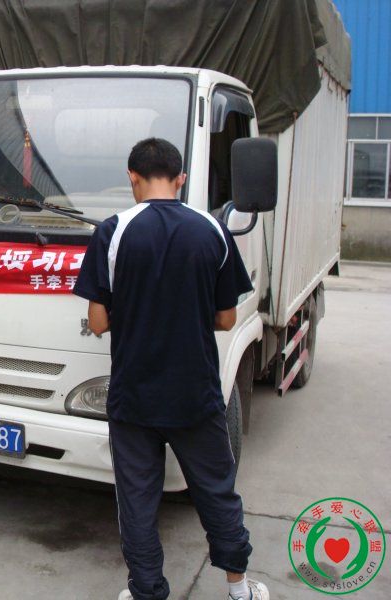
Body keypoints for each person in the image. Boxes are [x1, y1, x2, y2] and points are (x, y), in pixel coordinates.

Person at [73, 138, 268, 600]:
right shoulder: (211, 230)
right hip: (195, 393)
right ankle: (239, 589)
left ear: (132, 176)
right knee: (216, 490)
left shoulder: (113, 232)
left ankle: (146, 591)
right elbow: (226, 318)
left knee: (138, 501)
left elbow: (97, 322)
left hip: (134, 396)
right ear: (180, 179)